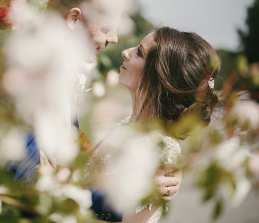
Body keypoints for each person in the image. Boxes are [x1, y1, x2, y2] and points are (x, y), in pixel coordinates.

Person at [9, 0, 181, 221]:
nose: (114, 39)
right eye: (108, 25)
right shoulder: (23, 71)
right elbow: (24, 170)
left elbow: (63, 167)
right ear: (74, 18)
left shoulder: (61, 75)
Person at [78, 27, 220, 222]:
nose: (125, 52)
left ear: (159, 78)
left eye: (139, 53)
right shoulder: (124, 127)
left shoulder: (163, 150)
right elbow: (73, 170)